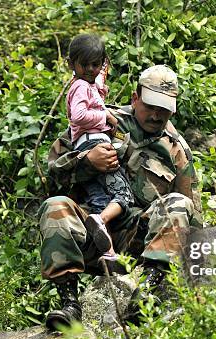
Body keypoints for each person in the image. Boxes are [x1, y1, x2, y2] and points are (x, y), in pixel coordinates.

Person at [40, 64, 202, 330]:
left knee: (178, 204)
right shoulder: (100, 120)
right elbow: (52, 172)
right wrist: (86, 162)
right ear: (135, 97)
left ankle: (146, 295)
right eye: (150, 105)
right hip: (92, 232)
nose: (156, 115)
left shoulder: (176, 149)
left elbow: (191, 216)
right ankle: (69, 302)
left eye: (164, 109)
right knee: (55, 206)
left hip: (140, 242)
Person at [65, 33, 134, 260]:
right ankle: (101, 220)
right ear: (71, 64)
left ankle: (108, 252)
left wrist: (102, 69)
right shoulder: (81, 87)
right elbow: (79, 115)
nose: (91, 69)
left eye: (96, 64)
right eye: (84, 65)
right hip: (96, 144)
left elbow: (100, 80)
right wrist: (105, 116)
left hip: (84, 148)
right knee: (123, 195)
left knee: (100, 201)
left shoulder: (90, 83)